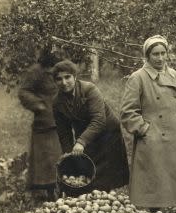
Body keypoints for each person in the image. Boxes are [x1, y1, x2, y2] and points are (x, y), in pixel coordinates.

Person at [120, 35, 176, 213]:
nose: (159, 58)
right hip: (153, 138)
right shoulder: (138, 78)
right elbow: (127, 112)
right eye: (155, 54)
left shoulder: (173, 75)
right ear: (147, 56)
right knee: (154, 181)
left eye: (163, 53)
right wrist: (145, 130)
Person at [51, 60, 130, 191]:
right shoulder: (57, 102)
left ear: (75, 76)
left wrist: (81, 141)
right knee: (88, 173)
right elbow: (63, 131)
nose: (64, 83)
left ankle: (109, 198)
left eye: (67, 77)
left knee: (108, 175)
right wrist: (68, 153)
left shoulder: (89, 89)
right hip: (86, 135)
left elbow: (99, 119)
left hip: (108, 134)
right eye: (59, 79)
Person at [17, 50, 63, 200]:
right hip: (44, 121)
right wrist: (38, 105)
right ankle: (48, 189)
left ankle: (63, 185)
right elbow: (24, 92)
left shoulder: (59, 69)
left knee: (61, 153)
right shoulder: (35, 71)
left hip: (61, 118)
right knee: (45, 157)